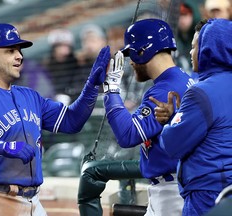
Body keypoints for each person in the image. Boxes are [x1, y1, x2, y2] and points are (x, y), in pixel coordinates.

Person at [0, 23, 110, 216]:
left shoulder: (30, 97)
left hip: (33, 201)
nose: (19, 56)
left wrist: (91, 86)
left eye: (19, 50)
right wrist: (2, 147)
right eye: (10, 50)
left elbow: (71, 121)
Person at [77, 18, 194, 216]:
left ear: (144, 51)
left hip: (172, 192)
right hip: (174, 186)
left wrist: (111, 90)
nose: (130, 61)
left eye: (132, 53)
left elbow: (128, 135)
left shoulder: (164, 90)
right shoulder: (182, 79)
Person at [150, 18, 232, 216]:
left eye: (195, 46)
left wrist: (170, 122)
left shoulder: (201, 92)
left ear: (208, 50)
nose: (190, 52)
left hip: (210, 195)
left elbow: (172, 144)